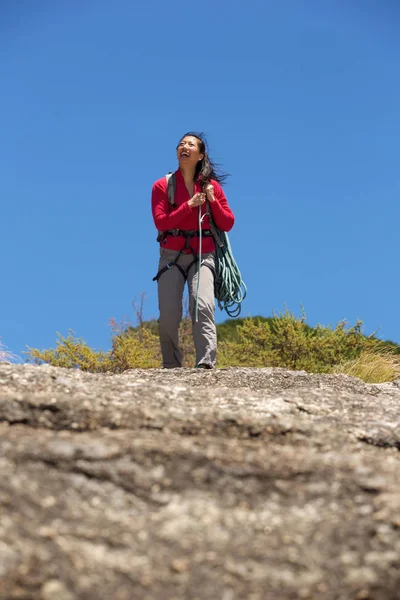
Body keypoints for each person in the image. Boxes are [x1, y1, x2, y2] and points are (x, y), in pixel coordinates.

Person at [151, 132, 235, 369]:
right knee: (168, 314)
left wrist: (212, 201)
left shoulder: (212, 187)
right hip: (171, 256)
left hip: (203, 255)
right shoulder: (163, 185)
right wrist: (189, 206)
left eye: (190, 144)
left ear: (200, 155)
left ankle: (206, 362)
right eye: (181, 144)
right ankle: (171, 365)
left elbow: (228, 223)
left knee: (202, 306)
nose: (184, 147)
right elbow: (161, 222)